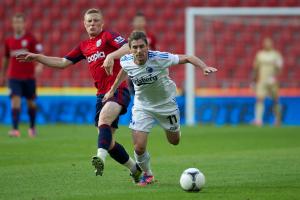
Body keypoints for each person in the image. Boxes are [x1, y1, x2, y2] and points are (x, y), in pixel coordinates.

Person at [17, 8, 142, 183]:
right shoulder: (84, 47)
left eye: (96, 20)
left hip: (118, 89)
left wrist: (111, 56)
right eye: (89, 21)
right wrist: (38, 57)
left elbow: (128, 47)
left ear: (102, 23)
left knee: (104, 120)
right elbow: (62, 63)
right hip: (101, 96)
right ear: (84, 24)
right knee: (109, 141)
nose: (93, 23)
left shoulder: (108, 36)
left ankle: (100, 158)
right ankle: (135, 169)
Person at [103, 31, 217, 186]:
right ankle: (147, 174)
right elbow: (124, 72)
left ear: (147, 46)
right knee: (139, 146)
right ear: (130, 49)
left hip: (166, 105)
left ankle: (174, 128)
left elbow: (188, 57)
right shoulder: (126, 60)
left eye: (142, 46)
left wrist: (203, 67)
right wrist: (112, 90)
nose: (138, 50)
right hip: (142, 106)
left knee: (174, 141)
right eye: (135, 47)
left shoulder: (159, 58)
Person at [0, 13, 43, 138]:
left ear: (24, 24)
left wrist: (40, 65)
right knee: (15, 101)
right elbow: (6, 58)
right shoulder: (9, 41)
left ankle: (32, 127)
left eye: (20, 22)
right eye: (15, 22)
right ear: (13, 25)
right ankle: (15, 129)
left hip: (29, 77)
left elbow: (40, 53)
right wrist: (3, 74)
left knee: (31, 103)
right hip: (14, 77)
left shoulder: (31, 39)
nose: (18, 25)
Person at [252, 37, 283, 126]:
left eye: (268, 43)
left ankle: (278, 120)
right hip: (262, 80)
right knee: (260, 99)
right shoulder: (260, 54)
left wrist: (276, 77)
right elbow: (256, 68)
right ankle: (258, 120)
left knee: (275, 100)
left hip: (272, 80)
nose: (267, 44)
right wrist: (254, 79)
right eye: (265, 43)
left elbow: (279, 68)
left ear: (271, 44)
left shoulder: (276, 55)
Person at [127, 12, 158, 95]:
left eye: (141, 21)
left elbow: (154, 51)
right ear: (134, 22)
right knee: (134, 92)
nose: (139, 23)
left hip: (148, 67)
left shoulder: (150, 36)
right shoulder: (130, 37)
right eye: (137, 21)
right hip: (135, 68)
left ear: (145, 22)